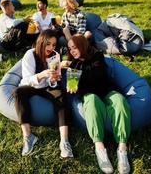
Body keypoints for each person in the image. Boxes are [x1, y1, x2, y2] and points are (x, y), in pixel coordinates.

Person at [61, 34, 131, 174]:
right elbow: (74, 86)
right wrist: (72, 84)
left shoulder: (97, 56)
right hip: (90, 95)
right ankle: (99, 148)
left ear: (82, 45)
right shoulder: (73, 63)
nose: (72, 51)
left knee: (120, 101)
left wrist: (74, 70)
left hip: (107, 91)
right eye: (70, 48)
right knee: (91, 102)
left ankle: (122, 150)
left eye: (75, 47)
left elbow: (96, 74)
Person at [13, 29, 73, 158]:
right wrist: (41, 75)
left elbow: (54, 80)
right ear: (41, 42)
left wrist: (53, 79)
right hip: (31, 85)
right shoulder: (30, 54)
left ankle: (64, 141)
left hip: (47, 86)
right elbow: (28, 79)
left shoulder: (55, 55)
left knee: (61, 96)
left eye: (54, 44)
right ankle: (28, 137)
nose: (51, 47)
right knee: (18, 92)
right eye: (48, 44)